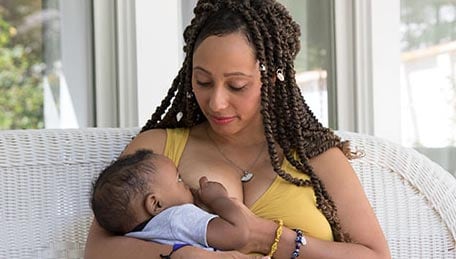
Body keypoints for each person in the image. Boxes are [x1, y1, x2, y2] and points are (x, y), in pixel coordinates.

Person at [85, 0, 391, 258]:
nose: (216, 102)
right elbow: (97, 250)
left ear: (271, 81)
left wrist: (268, 236)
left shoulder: (315, 157)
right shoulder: (157, 149)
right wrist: (181, 254)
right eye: (203, 81)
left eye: (237, 85)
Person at [91, 149, 257, 252]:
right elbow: (238, 233)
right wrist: (219, 199)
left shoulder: (137, 238)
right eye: (178, 179)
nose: (185, 183)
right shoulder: (177, 218)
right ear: (156, 204)